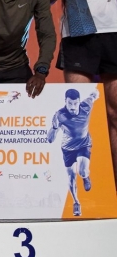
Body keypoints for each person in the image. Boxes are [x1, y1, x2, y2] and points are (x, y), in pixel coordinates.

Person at [39, 0, 117, 186]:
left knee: (115, 114)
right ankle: (90, 190)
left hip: (112, 34)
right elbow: (38, 1)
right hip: (78, 37)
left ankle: (115, 184)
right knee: (78, 121)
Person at [48, 88, 99, 216]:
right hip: (67, 148)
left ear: (79, 102)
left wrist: (96, 91)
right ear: (65, 101)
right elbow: (50, 139)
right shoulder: (60, 115)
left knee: (82, 171)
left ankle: (85, 177)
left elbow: (94, 95)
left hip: (84, 144)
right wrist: (54, 127)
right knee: (71, 177)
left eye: (75, 103)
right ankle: (76, 202)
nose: (72, 107)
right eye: (69, 103)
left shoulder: (86, 106)